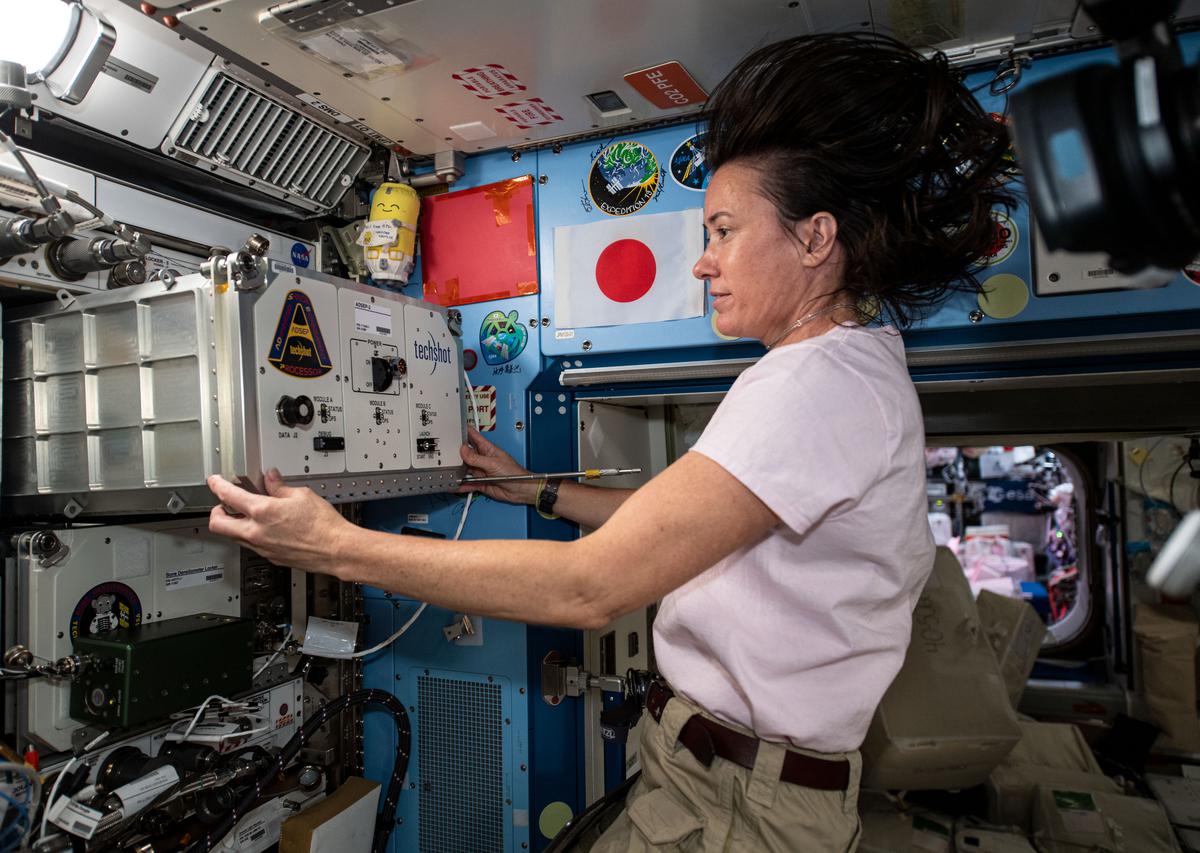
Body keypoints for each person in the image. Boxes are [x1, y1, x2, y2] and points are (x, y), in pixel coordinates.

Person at [207, 32, 1013, 852]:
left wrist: (334, 546)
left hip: (738, 807)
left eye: (725, 230)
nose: (704, 264)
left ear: (814, 238)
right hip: (716, 778)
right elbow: (687, 524)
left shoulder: (814, 384)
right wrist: (539, 492)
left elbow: (589, 588)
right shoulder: (852, 370)